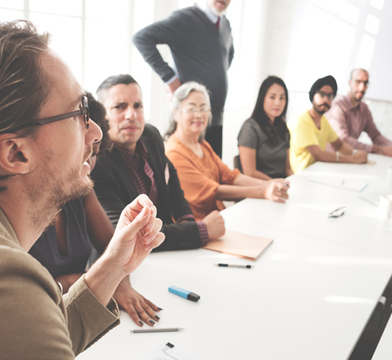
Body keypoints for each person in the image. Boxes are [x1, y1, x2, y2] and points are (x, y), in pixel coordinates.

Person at [0, 21, 164, 359]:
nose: (97, 132)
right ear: (16, 153)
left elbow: (27, 339)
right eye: (80, 113)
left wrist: (114, 266)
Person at [30, 93, 161, 327]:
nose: (89, 163)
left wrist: (119, 283)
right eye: (85, 149)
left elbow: (113, 247)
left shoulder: (81, 188)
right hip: (40, 320)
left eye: (96, 154)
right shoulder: (25, 200)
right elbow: (26, 292)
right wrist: (89, 279)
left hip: (78, 313)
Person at [91, 74, 225, 251]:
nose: (131, 115)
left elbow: (174, 191)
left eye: (138, 106)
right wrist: (200, 230)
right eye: (120, 107)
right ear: (103, 116)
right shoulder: (96, 163)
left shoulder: (150, 135)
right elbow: (126, 235)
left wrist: (188, 224)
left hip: (167, 251)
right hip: (129, 264)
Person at [165, 81, 289, 220]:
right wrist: (263, 191)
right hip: (198, 228)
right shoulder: (173, 153)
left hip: (220, 218)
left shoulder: (203, 145)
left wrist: (269, 184)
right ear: (176, 114)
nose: (199, 114)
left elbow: (230, 176)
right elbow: (213, 191)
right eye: (192, 109)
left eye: (203, 108)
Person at [133, 0, 233, 158]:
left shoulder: (225, 25)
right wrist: (171, 80)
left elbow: (228, 54)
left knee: (215, 175)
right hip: (190, 118)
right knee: (188, 176)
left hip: (215, 118)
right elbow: (142, 38)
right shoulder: (186, 19)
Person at [289, 75, 369, 173]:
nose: (326, 99)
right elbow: (318, 155)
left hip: (317, 172)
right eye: (322, 94)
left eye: (330, 96)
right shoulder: (301, 120)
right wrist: (353, 159)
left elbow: (338, 145)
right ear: (313, 95)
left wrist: (355, 153)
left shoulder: (323, 120)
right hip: (300, 176)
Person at [325, 68, 392, 157]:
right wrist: (378, 149)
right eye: (358, 82)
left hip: (350, 157)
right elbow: (343, 140)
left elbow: (376, 136)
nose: (362, 87)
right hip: (332, 158)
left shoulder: (364, 109)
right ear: (350, 83)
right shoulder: (338, 105)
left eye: (365, 83)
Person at [237, 76, 293, 180]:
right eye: (272, 97)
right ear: (262, 98)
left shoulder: (283, 128)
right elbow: (250, 173)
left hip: (281, 186)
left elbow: (288, 169)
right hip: (259, 188)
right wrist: (276, 184)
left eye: (282, 98)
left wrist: (295, 182)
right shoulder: (250, 128)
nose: (277, 103)